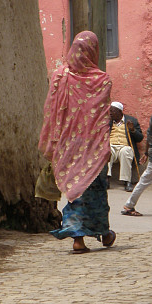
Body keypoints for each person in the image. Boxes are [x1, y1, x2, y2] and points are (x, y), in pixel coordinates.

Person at [39, 30, 117, 253]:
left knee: (76, 189)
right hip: (93, 147)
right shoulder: (102, 80)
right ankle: (103, 232)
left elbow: (52, 113)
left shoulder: (60, 76)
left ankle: (79, 238)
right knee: (96, 190)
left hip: (68, 145)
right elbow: (102, 119)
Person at [122, 90, 152, 216]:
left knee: (145, 180)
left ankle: (129, 205)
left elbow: (149, 134)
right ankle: (129, 206)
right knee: (144, 181)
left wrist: (146, 152)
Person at [108, 101, 143, 192]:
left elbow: (140, 138)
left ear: (120, 112)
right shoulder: (108, 122)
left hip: (124, 146)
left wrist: (133, 130)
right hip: (112, 146)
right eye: (110, 111)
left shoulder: (132, 121)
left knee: (125, 151)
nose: (110, 113)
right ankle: (106, 179)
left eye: (112, 111)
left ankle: (127, 181)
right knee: (107, 151)